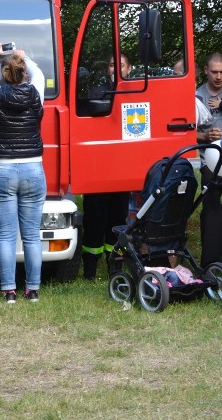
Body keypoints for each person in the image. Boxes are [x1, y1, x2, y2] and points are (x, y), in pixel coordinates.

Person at [0, 41, 45, 303]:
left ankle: (9, 291)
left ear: (4, 75)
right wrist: (23, 57)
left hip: (1, 169)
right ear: (24, 71)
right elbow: (39, 74)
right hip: (33, 168)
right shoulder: (37, 91)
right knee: (31, 234)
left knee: (6, 234)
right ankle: (33, 290)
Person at [82, 55, 133, 280]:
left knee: (118, 222)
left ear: (129, 69)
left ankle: (115, 269)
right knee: (94, 221)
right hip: (98, 169)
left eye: (120, 65)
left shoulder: (136, 95)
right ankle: (90, 272)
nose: (116, 69)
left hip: (122, 170)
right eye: (112, 65)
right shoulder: (96, 93)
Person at [196, 52, 222, 269]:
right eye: (214, 72)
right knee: (211, 213)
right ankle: (210, 263)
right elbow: (186, 132)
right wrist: (204, 137)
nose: (219, 76)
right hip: (209, 164)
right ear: (206, 70)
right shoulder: (196, 96)